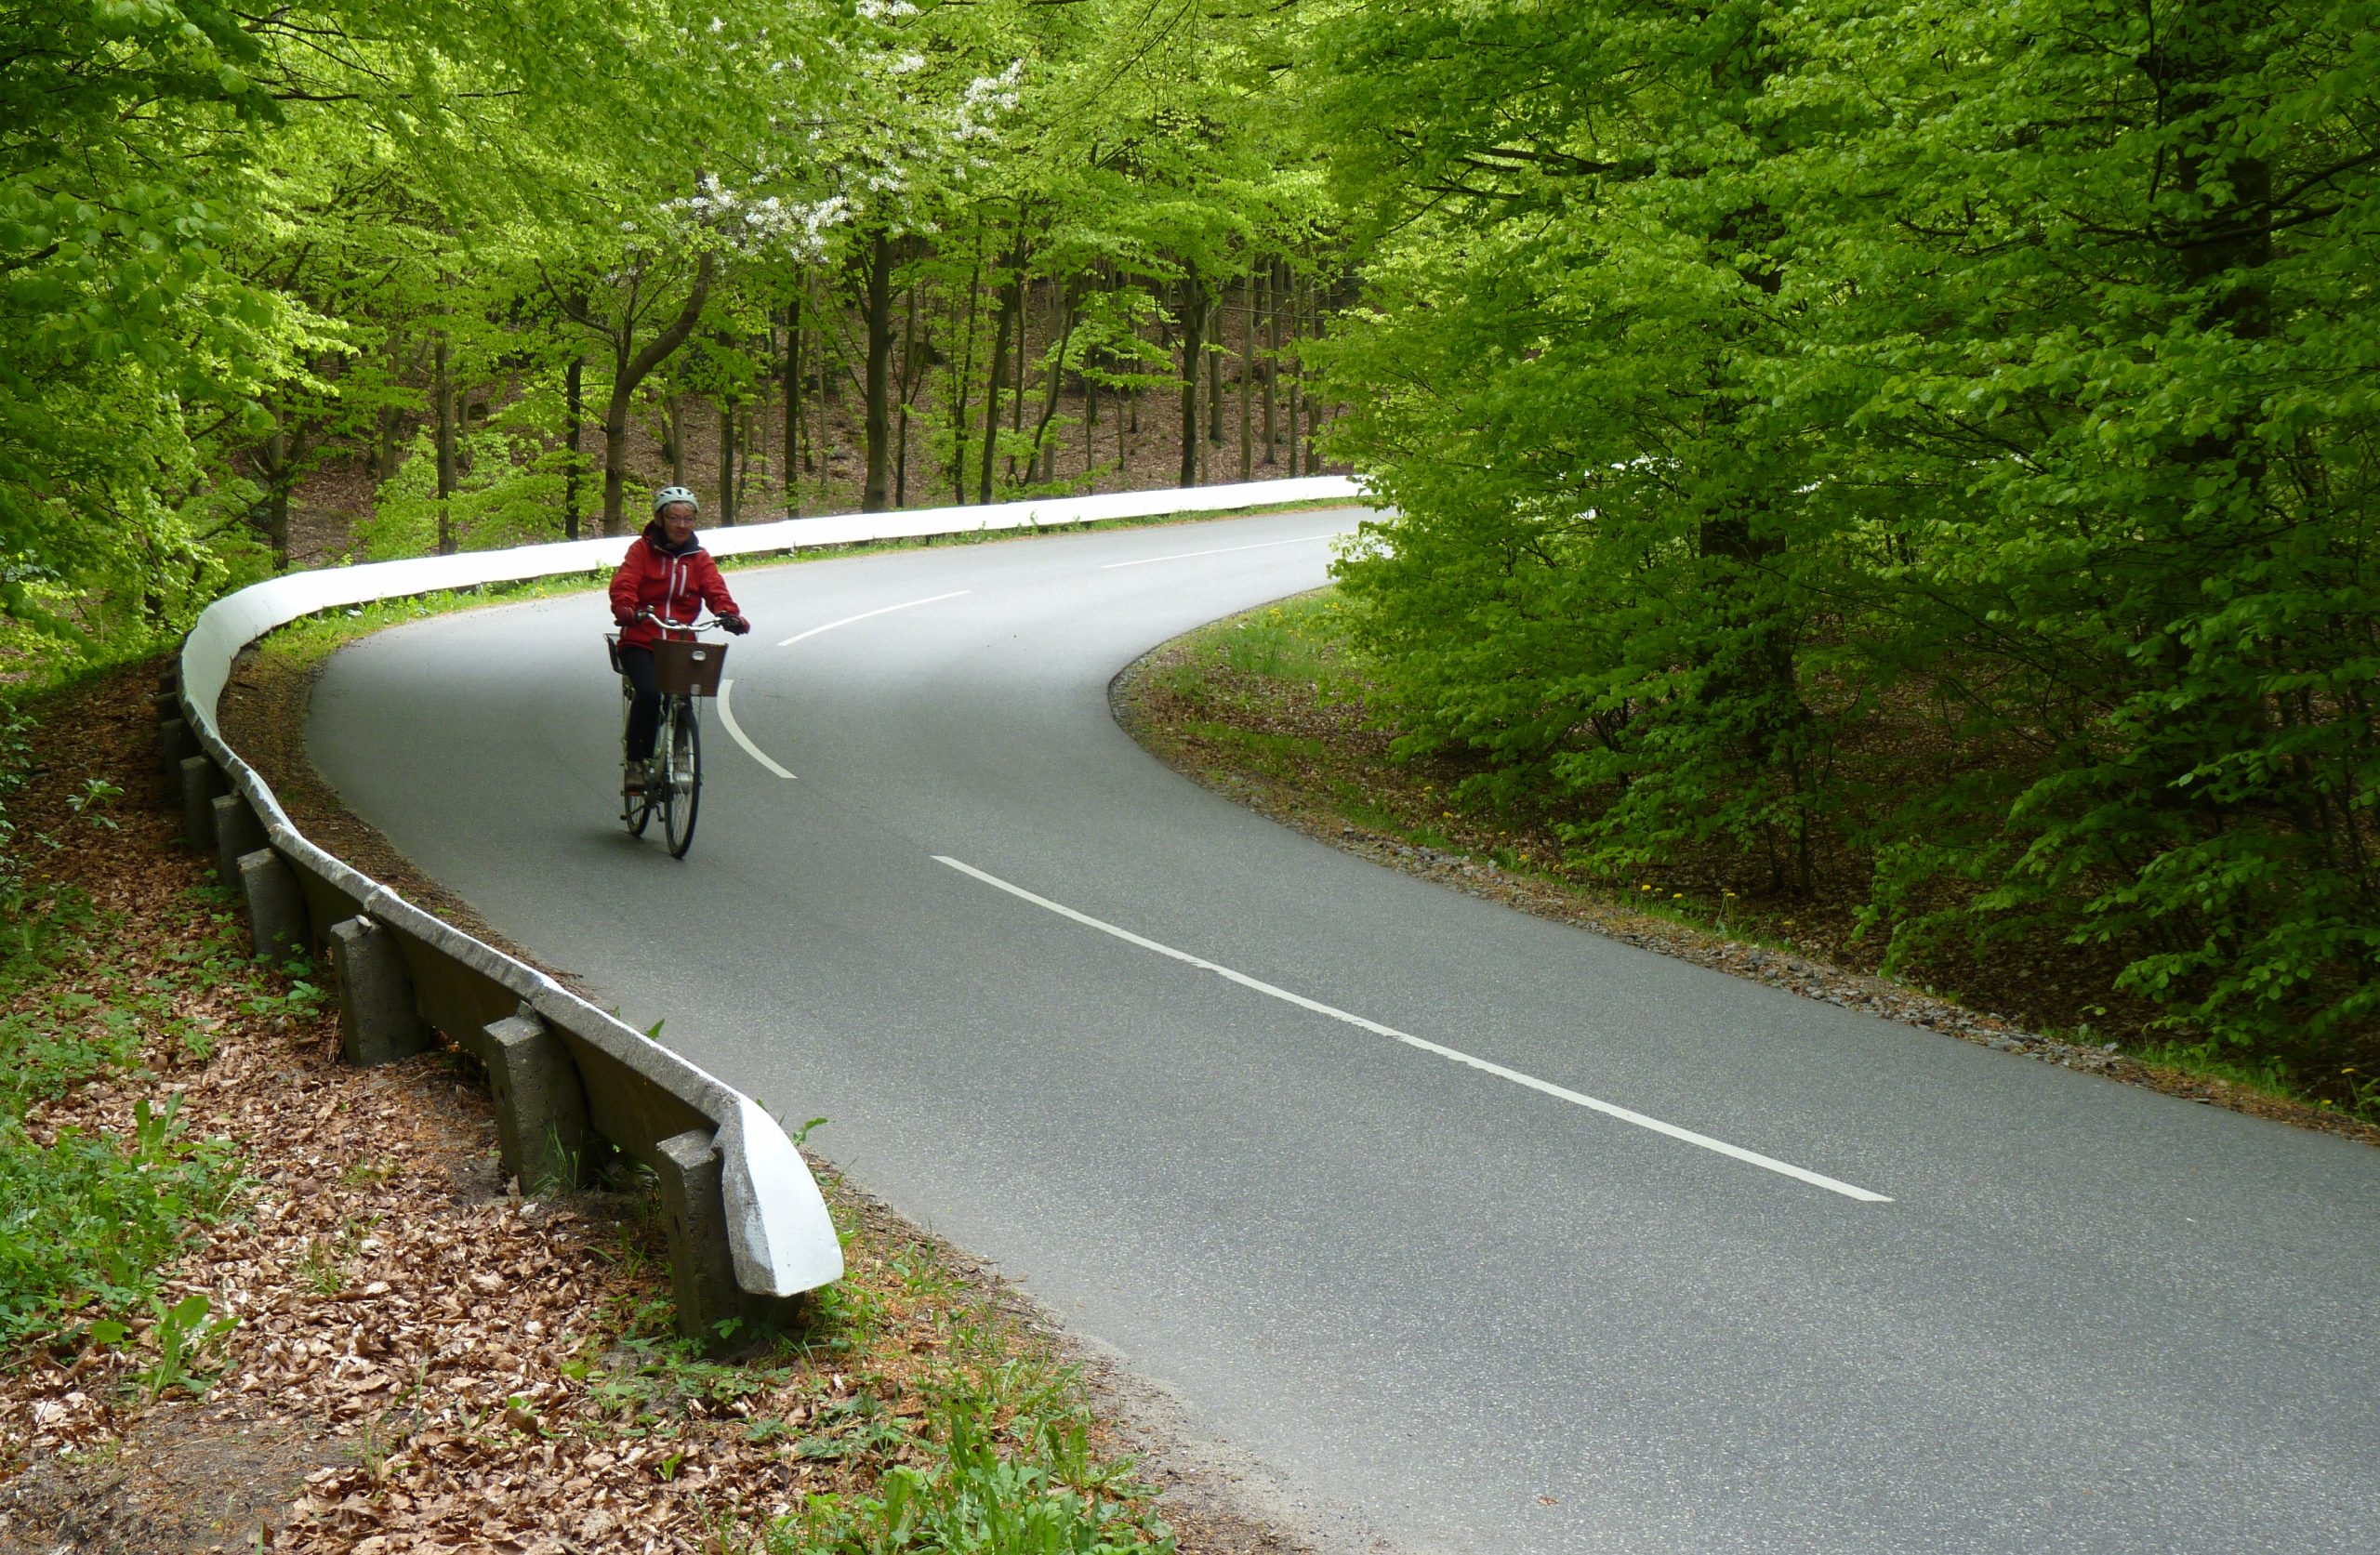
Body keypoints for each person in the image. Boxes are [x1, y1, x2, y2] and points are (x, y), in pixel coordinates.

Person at [608, 486, 751, 793]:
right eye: (675, 518)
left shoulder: (699, 558)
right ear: (660, 519)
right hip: (641, 641)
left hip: (680, 643)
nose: (682, 525)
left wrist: (730, 615)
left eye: (689, 518)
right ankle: (636, 762)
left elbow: (716, 591)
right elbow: (625, 581)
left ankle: (679, 752)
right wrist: (626, 607)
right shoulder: (641, 551)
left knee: (682, 696)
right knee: (649, 694)